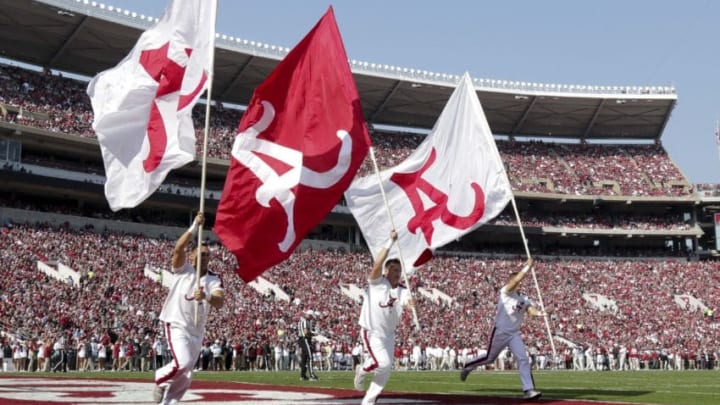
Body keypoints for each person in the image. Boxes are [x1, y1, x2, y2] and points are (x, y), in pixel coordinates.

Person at [153, 213, 225, 404]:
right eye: (201, 254)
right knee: (182, 363)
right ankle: (160, 376)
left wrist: (207, 296)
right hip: (177, 323)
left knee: (185, 377)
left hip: (196, 330)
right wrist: (194, 227)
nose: (206, 257)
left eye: (208, 254)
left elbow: (219, 301)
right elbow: (178, 249)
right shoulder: (184, 270)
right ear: (192, 257)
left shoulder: (213, 278)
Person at [460, 258, 543, 400]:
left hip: (514, 333)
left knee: (523, 359)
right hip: (500, 331)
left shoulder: (524, 298)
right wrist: (527, 267)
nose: (519, 284)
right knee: (489, 358)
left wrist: (542, 313)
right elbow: (515, 281)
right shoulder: (505, 292)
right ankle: (468, 365)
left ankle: (528, 390)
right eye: (517, 281)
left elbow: (531, 310)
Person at [354, 230, 414, 405]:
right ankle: (362, 369)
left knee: (386, 369)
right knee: (381, 362)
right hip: (371, 331)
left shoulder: (403, 289)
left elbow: (406, 301)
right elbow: (377, 265)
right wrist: (390, 242)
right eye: (393, 269)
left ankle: (368, 401)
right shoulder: (377, 283)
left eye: (399, 270)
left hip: (388, 334)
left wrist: (410, 305)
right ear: (386, 271)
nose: (397, 273)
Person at [297, 310, 318, 380]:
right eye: (311, 316)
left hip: (303, 340)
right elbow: (306, 332)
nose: (312, 318)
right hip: (305, 339)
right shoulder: (305, 321)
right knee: (310, 357)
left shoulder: (304, 321)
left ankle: (302, 375)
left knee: (304, 358)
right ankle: (312, 375)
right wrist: (314, 333)